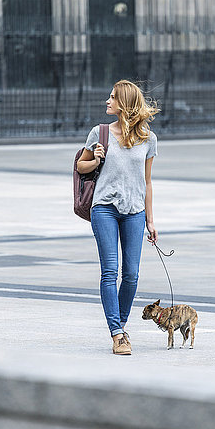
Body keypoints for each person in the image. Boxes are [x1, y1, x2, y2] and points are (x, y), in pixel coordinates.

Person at [77, 80, 160, 355]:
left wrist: (151, 220)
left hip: (135, 210)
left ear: (124, 104)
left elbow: (147, 182)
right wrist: (97, 159)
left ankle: (120, 326)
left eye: (112, 98)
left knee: (132, 275)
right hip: (104, 208)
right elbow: (81, 165)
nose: (107, 101)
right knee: (110, 271)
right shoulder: (99, 133)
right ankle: (117, 333)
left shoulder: (148, 139)